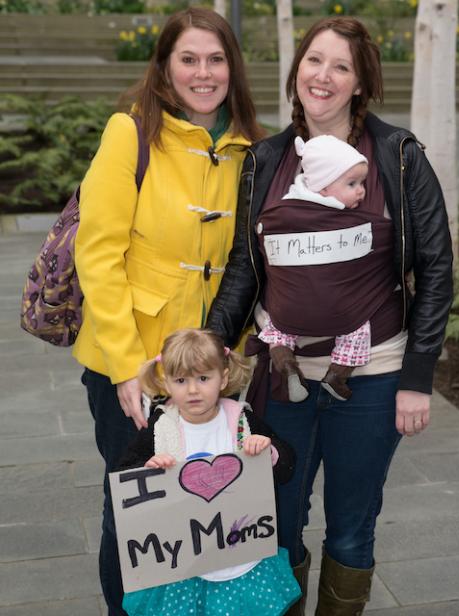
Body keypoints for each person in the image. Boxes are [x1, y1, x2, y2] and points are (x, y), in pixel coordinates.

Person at [206, 16, 453, 616]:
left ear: (360, 83)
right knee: (276, 524)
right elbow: (245, 264)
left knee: (350, 526)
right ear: (296, 73)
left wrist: (417, 379)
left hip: (369, 379)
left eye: (341, 66)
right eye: (314, 61)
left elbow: (436, 270)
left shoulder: (396, 157)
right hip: (279, 375)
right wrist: (211, 341)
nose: (324, 76)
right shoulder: (264, 160)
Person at [72, 7, 263, 615]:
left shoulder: (250, 147)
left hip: (213, 365)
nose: (203, 73)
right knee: (133, 507)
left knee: (208, 508)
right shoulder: (130, 132)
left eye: (216, 59)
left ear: (232, 67)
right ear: (165, 65)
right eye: (189, 59)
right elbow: (97, 254)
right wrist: (129, 367)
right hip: (131, 364)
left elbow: (251, 259)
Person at [117, 328, 301, 616]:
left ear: (223, 378)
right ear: (166, 382)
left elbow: (288, 465)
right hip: (183, 567)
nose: (192, 390)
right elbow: (124, 474)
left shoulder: (242, 421)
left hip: (240, 562)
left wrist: (268, 451)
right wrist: (148, 467)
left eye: (203, 378)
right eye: (181, 380)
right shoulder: (160, 428)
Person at [258, 134, 370, 403]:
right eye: (352, 183)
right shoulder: (342, 218)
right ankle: (338, 374)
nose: (361, 191)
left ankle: (285, 362)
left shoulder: (285, 207)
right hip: (337, 304)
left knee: (278, 325)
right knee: (358, 328)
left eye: (362, 183)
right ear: (322, 187)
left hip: (291, 302)